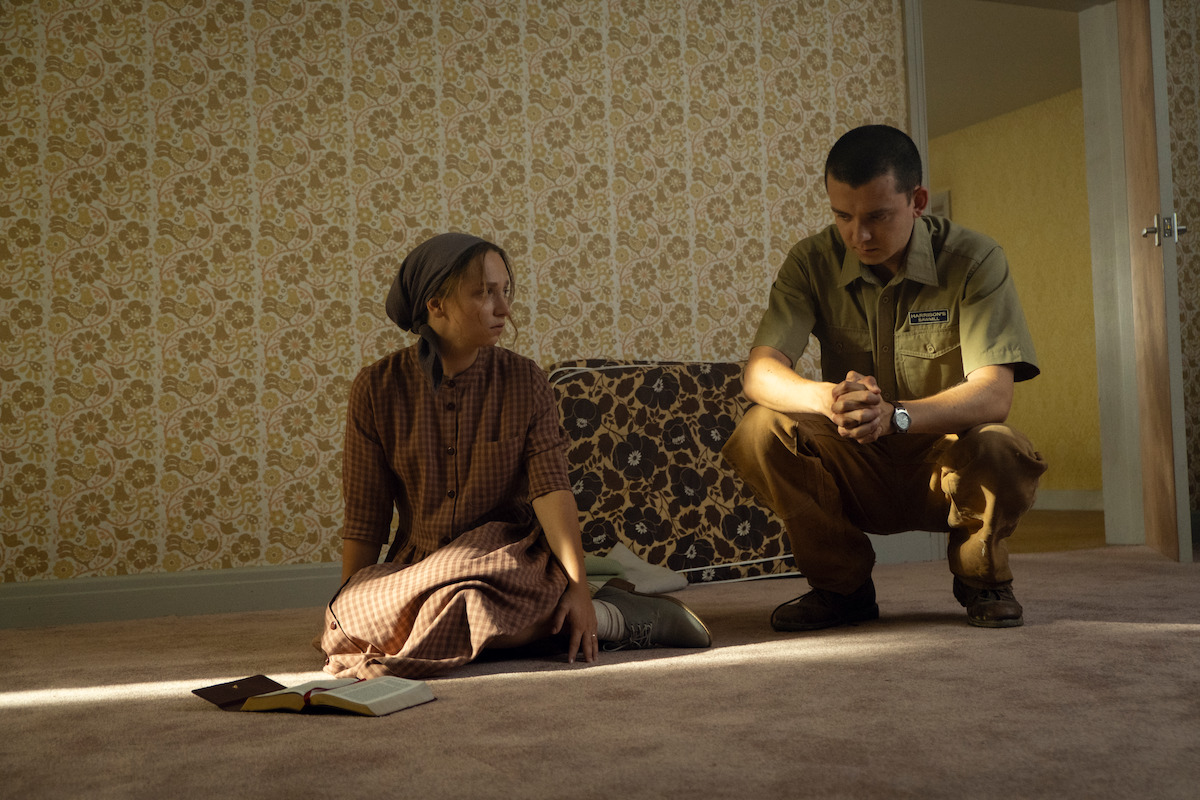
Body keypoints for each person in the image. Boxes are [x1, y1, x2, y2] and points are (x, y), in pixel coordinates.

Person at [320, 232, 710, 680]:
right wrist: (347, 612)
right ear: (435, 305)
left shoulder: (525, 380)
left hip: (508, 558)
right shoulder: (376, 388)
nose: (503, 308)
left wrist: (579, 590)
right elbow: (366, 515)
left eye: (505, 290)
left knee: (468, 598)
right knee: (348, 619)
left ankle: (609, 618)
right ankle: (574, 620)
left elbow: (551, 490)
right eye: (484, 293)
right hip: (420, 566)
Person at [722, 125, 1047, 631]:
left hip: (941, 466)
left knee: (1003, 447)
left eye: (877, 216)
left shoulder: (975, 260)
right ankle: (842, 589)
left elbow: (995, 393)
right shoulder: (810, 261)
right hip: (855, 462)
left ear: (917, 201)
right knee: (759, 429)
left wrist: (896, 417)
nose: (860, 235)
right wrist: (828, 399)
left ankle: (982, 578)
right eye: (842, 216)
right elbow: (760, 373)